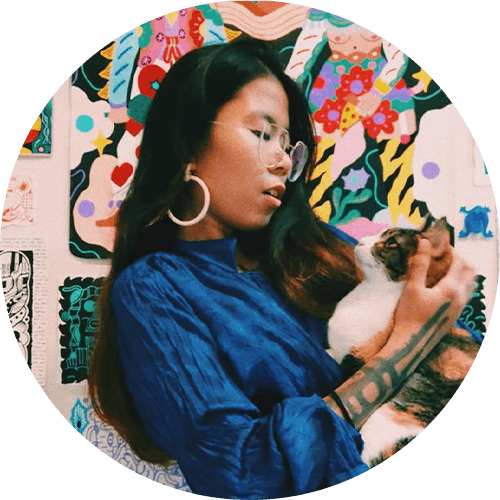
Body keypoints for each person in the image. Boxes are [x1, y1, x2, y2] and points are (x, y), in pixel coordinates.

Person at [88, 39, 475, 498]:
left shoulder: (319, 245)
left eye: (289, 145)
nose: (283, 160)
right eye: (262, 133)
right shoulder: (153, 289)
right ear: (188, 141)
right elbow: (241, 472)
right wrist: (407, 345)